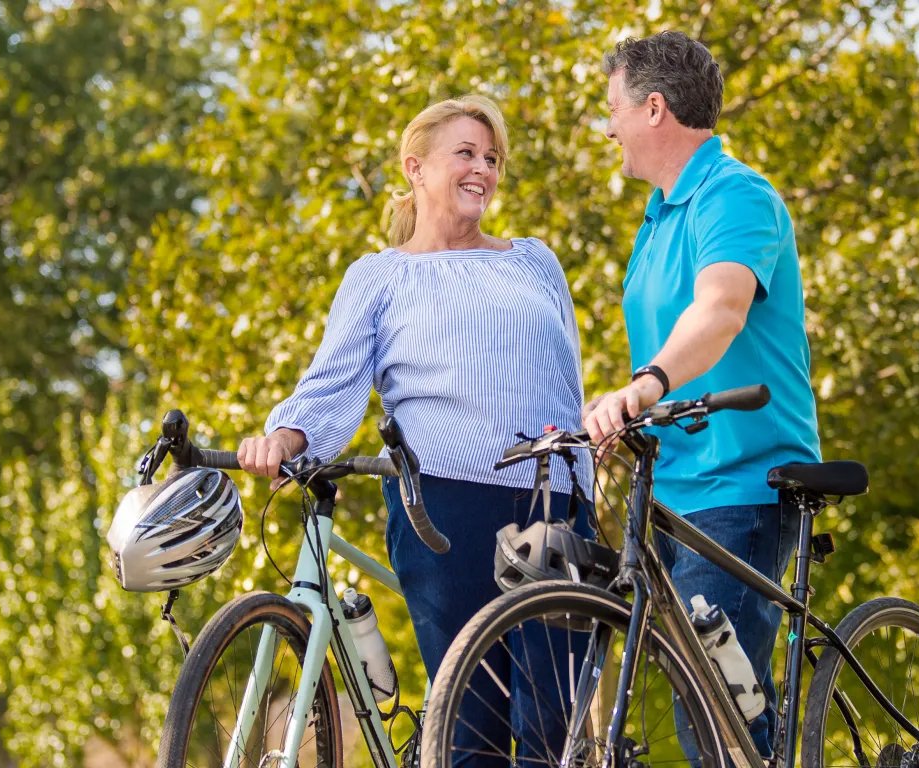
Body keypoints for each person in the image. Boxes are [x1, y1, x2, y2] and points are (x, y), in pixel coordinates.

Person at [237, 95, 590, 767]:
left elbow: (564, 385)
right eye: (465, 153)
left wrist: (586, 488)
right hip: (446, 509)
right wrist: (283, 439)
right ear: (415, 168)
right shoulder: (380, 276)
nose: (482, 169)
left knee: (557, 729)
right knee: (470, 728)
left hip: (553, 504)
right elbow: (330, 384)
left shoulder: (533, 261)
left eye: (492, 158)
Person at [582, 31, 821, 758]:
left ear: (653, 109)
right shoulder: (656, 220)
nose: (609, 125)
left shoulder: (736, 196)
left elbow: (719, 310)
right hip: (672, 492)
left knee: (714, 716)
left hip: (743, 484)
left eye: (613, 108)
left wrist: (646, 384)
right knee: (682, 695)